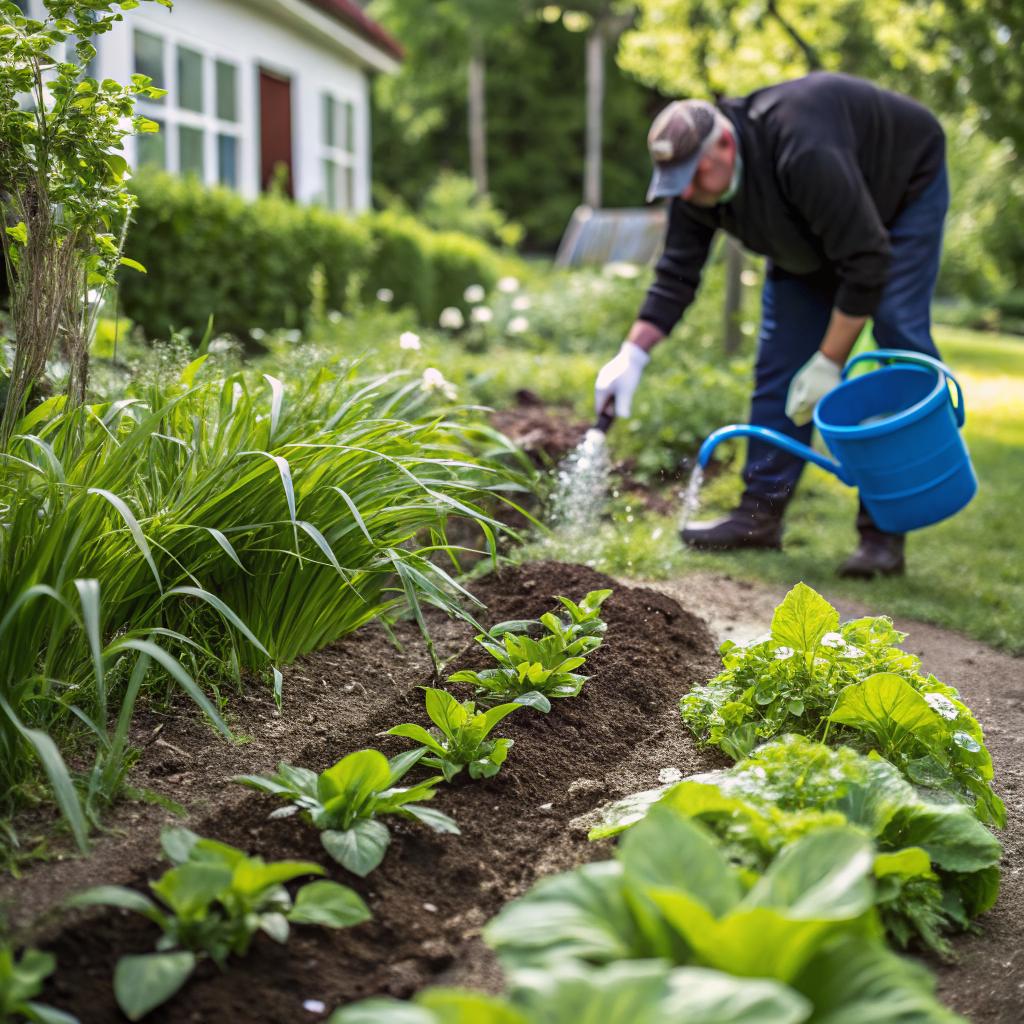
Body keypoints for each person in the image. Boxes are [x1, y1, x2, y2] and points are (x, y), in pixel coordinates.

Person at [594, 72, 948, 578]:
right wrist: (632, 354)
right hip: (810, 232)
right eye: (678, 183)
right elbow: (676, 274)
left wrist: (829, 361)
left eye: (694, 176)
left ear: (724, 142)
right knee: (781, 359)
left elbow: (866, 261)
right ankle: (758, 517)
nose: (687, 191)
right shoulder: (695, 190)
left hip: (900, 191)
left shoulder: (802, 146)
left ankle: (883, 536)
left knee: (896, 335)